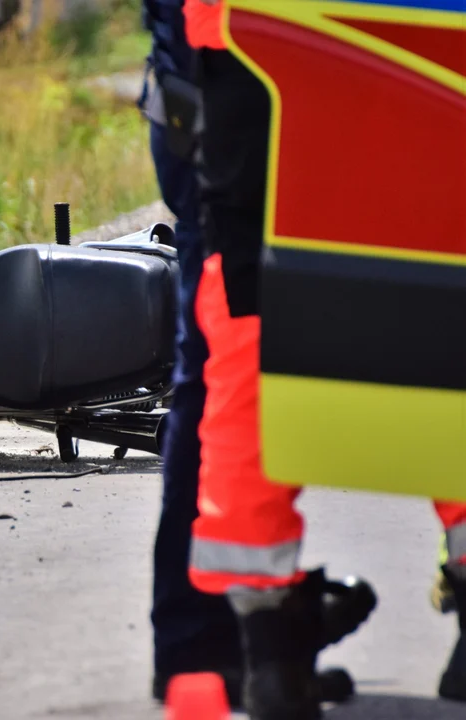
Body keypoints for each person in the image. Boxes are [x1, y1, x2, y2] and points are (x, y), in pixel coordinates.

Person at [182, 0, 466, 715]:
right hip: (430, 46)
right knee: (450, 298)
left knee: (251, 323)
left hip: (260, 51)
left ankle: (270, 655)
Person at [136, 0, 243, 705]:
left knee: (215, 367)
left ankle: (214, 642)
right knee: (219, 363)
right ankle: (207, 645)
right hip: (223, 83)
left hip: (223, 74)